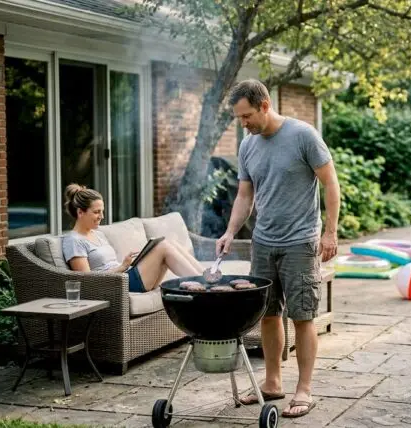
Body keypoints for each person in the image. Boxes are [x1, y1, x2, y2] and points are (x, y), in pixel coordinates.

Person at [216, 79, 340, 418]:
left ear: (265, 105)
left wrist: (330, 232)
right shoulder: (248, 145)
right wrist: (230, 231)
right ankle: (272, 382)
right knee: (268, 315)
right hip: (264, 242)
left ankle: (305, 389)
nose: (244, 124)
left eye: (247, 116)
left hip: (300, 241)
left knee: (302, 315)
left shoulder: (303, 135)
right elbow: (245, 195)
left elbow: (330, 182)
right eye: (239, 118)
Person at [61, 184, 204, 292]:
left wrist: (128, 264)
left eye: (102, 211)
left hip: (126, 275)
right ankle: (205, 284)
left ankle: (206, 277)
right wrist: (122, 267)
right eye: (96, 212)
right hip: (118, 285)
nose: (102, 217)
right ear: (80, 212)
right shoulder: (73, 241)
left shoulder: (97, 234)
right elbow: (87, 281)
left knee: (169, 242)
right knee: (163, 247)